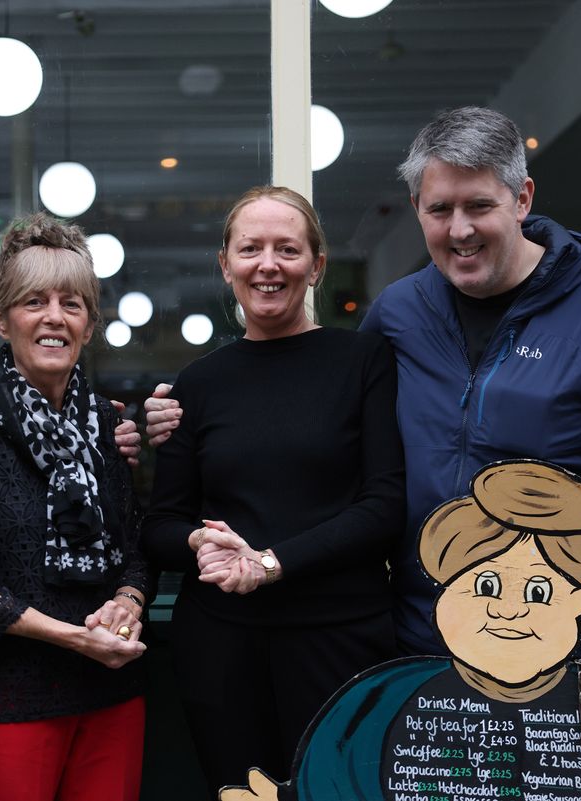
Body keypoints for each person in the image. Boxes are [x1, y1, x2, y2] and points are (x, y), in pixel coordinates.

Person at [147, 107, 581, 675]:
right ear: (416, 208)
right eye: (440, 208)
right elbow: (317, 428)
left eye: (479, 206)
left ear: (523, 199)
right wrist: (160, 425)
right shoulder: (400, 311)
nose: (459, 229)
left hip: (564, 644)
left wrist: (541, 532)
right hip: (422, 641)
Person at [220, 461, 581, 801]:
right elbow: (333, 781)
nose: (508, 611)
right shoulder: (379, 703)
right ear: (443, 589)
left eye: (538, 591)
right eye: (487, 584)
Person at [141, 186, 406, 796]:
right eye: (250, 249)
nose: (268, 265)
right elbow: (160, 526)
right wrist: (202, 546)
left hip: (341, 641)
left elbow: (385, 505)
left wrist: (271, 563)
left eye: (287, 249)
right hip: (223, 650)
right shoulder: (197, 385)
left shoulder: (364, 361)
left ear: (316, 265)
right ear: (226, 264)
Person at [0, 212, 153, 801]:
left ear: (90, 325)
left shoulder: (107, 425)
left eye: (72, 304)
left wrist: (126, 603)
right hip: (7, 701)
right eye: (33, 302)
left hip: (110, 694)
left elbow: (136, 550)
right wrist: (73, 636)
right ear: (3, 319)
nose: (54, 317)